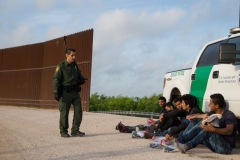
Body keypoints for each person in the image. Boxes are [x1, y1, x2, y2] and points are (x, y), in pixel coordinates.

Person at [53, 48, 86, 138]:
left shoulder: (75, 66)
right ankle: (63, 131)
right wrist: (56, 92)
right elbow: (56, 80)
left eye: (75, 55)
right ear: (66, 55)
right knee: (64, 113)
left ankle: (75, 130)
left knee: (79, 111)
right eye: (72, 55)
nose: (74, 57)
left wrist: (82, 79)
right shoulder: (61, 66)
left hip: (75, 92)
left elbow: (79, 75)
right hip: (65, 93)